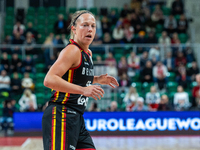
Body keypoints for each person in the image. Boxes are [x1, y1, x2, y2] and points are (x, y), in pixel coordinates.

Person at [42, 10, 119, 150]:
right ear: (74, 29)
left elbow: (74, 76)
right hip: (61, 114)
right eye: (85, 25)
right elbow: (49, 80)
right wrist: (83, 90)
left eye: (93, 26)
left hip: (77, 118)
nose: (90, 29)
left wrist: (96, 79)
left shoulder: (88, 53)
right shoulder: (72, 50)